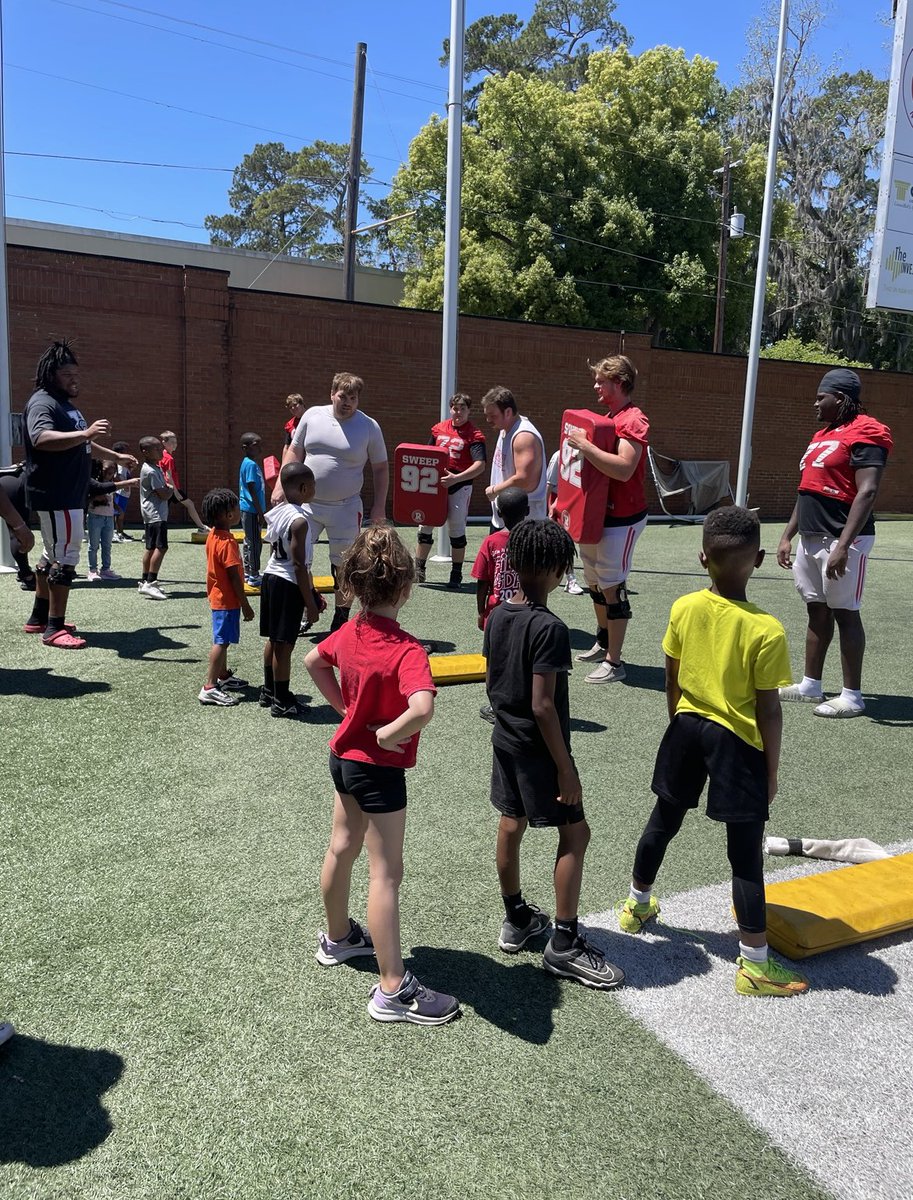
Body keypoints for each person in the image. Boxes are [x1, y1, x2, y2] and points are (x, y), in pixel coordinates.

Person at [617, 506, 809, 998]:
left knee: (663, 820)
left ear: (702, 556)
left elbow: (670, 677)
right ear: (760, 559)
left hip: (685, 725)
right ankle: (754, 965)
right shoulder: (767, 629)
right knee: (744, 855)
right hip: (736, 740)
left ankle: (637, 905)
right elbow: (769, 712)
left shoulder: (683, 607)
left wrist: (678, 726)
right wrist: (772, 768)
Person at [304, 526, 460, 1026]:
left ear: (355, 583)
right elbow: (423, 708)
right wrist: (389, 734)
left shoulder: (349, 630)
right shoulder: (408, 650)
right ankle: (393, 988)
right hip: (378, 769)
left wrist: (345, 710)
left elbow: (313, 660)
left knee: (340, 848)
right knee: (385, 874)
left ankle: (338, 938)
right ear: (407, 587)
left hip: (343, 760)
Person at [483, 519, 625, 990]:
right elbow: (544, 705)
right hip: (539, 750)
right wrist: (566, 768)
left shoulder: (499, 615)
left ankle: (517, 916)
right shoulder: (550, 627)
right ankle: (564, 943)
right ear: (558, 567)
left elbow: (494, 680)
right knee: (576, 835)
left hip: (505, 740)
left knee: (510, 823)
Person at [776, 369, 893, 719]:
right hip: (812, 534)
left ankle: (852, 695)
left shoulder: (867, 431)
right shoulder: (823, 434)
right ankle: (811, 683)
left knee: (845, 612)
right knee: (816, 609)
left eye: (820, 397)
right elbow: (808, 488)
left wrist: (844, 544)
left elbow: (868, 490)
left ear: (839, 398)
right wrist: (788, 534)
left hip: (844, 535)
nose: (815, 403)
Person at [22, 340, 136, 648]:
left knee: (50, 556)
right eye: (67, 374)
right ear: (51, 374)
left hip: (67, 494)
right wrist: (85, 433)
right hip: (58, 494)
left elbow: (80, 443)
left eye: (77, 373)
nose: (75, 380)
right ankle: (55, 629)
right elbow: (41, 437)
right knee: (65, 559)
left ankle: (40, 618)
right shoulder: (43, 403)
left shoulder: (64, 404)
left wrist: (113, 453)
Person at [276, 372, 389, 631]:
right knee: (297, 557)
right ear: (332, 394)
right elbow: (294, 451)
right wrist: (282, 483)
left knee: (344, 564)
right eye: (343, 396)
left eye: (353, 397)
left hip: (346, 507)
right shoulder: (312, 416)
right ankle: (309, 602)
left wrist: (380, 505)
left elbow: (381, 468)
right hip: (307, 505)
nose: (347, 402)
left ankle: (341, 618)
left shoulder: (369, 426)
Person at [565, 355, 650, 685]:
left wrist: (586, 447)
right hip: (599, 514)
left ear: (620, 383)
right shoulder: (610, 417)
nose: (596, 386)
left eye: (602, 381)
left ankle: (616, 662)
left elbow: (624, 468)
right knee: (595, 582)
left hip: (623, 517)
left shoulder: (634, 419)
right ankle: (603, 640)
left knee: (613, 585)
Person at [260, 462, 321, 718]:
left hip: (270, 577)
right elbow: (298, 565)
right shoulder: (300, 521)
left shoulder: (280, 510)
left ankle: (269, 690)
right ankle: (282, 700)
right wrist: (310, 603)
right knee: (285, 645)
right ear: (304, 488)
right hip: (287, 584)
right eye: (314, 485)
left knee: (274, 639)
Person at [414, 393, 488, 589]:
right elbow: (426, 455)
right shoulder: (439, 429)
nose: (459, 412)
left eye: (463, 408)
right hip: (435, 485)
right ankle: (419, 569)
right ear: (450, 409)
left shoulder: (474, 434)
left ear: (469, 411)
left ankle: (456, 574)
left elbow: (480, 465)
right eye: (455, 408)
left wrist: (457, 478)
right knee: (425, 526)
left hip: (459, 485)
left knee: (456, 531)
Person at [472, 486, 528, 726]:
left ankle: (497, 708)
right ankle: (523, 704)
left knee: (494, 662)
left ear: (499, 512)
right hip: (527, 612)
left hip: (496, 613)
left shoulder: (492, 542)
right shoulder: (530, 539)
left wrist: (479, 611)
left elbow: (482, 582)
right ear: (527, 511)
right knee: (523, 660)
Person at [199, 488, 254, 706]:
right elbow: (233, 578)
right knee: (221, 641)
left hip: (217, 596)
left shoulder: (213, 535)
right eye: (236, 508)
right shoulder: (228, 543)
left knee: (224, 639)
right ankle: (209, 686)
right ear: (228, 515)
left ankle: (223, 676)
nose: (239, 511)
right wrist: (246, 605)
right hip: (227, 601)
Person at [483, 386, 547, 527]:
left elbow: (524, 480)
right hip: (505, 517)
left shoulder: (523, 437)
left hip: (524, 523)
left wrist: (495, 490)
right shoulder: (505, 429)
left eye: (493, 416)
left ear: (508, 412)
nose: (488, 420)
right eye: (487, 415)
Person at [87, 459, 137, 581]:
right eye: (106, 472)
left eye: (112, 472)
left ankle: (106, 569)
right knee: (93, 545)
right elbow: (88, 498)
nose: (109, 475)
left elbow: (111, 498)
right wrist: (96, 499)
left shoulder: (111, 484)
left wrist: (117, 508)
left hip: (108, 517)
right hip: (95, 516)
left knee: (107, 545)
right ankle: (92, 570)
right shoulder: (95, 484)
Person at [138, 435, 173, 601]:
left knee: (151, 547)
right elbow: (164, 494)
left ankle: (144, 580)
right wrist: (171, 488)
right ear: (145, 452)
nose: (161, 451)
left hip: (152, 514)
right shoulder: (151, 471)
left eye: (161, 448)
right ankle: (151, 583)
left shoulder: (154, 467)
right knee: (161, 547)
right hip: (156, 514)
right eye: (157, 449)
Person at [546, 449, 584, 595]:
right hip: (558, 499)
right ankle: (570, 578)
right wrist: (547, 509)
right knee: (564, 542)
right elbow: (549, 485)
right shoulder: (558, 456)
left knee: (568, 541)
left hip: (573, 500)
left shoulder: (585, 455)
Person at [159, 432, 208, 535]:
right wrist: (175, 492)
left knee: (162, 511)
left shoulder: (163, 455)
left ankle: (150, 533)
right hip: (171, 488)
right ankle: (202, 527)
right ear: (164, 443)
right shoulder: (168, 458)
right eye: (171, 442)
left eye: (175, 442)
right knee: (189, 504)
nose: (174, 445)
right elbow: (168, 476)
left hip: (168, 487)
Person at [0, 465, 36, 589]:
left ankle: (25, 572)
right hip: (17, 485)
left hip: (9, 479)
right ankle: (27, 575)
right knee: (18, 534)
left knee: (15, 533)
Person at [239, 433, 267, 589]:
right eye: (256, 445)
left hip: (250, 509)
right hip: (251, 510)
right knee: (255, 542)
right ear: (246, 447)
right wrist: (260, 512)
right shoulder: (250, 464)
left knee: (250, 541)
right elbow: (251, 488)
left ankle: (248, 571)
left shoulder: (249, 463)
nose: (260, 448)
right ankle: (254, 575)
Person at [111, 441, 136, 541]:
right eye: (126, 450)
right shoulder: (119, 464)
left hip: (125, 493)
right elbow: (116, 476)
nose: (129, 452)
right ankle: (117, 533)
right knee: (119, 513)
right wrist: (124, 484)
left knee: (121, 514)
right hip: (120, 493)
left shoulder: (124, 464)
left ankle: (120, 532)